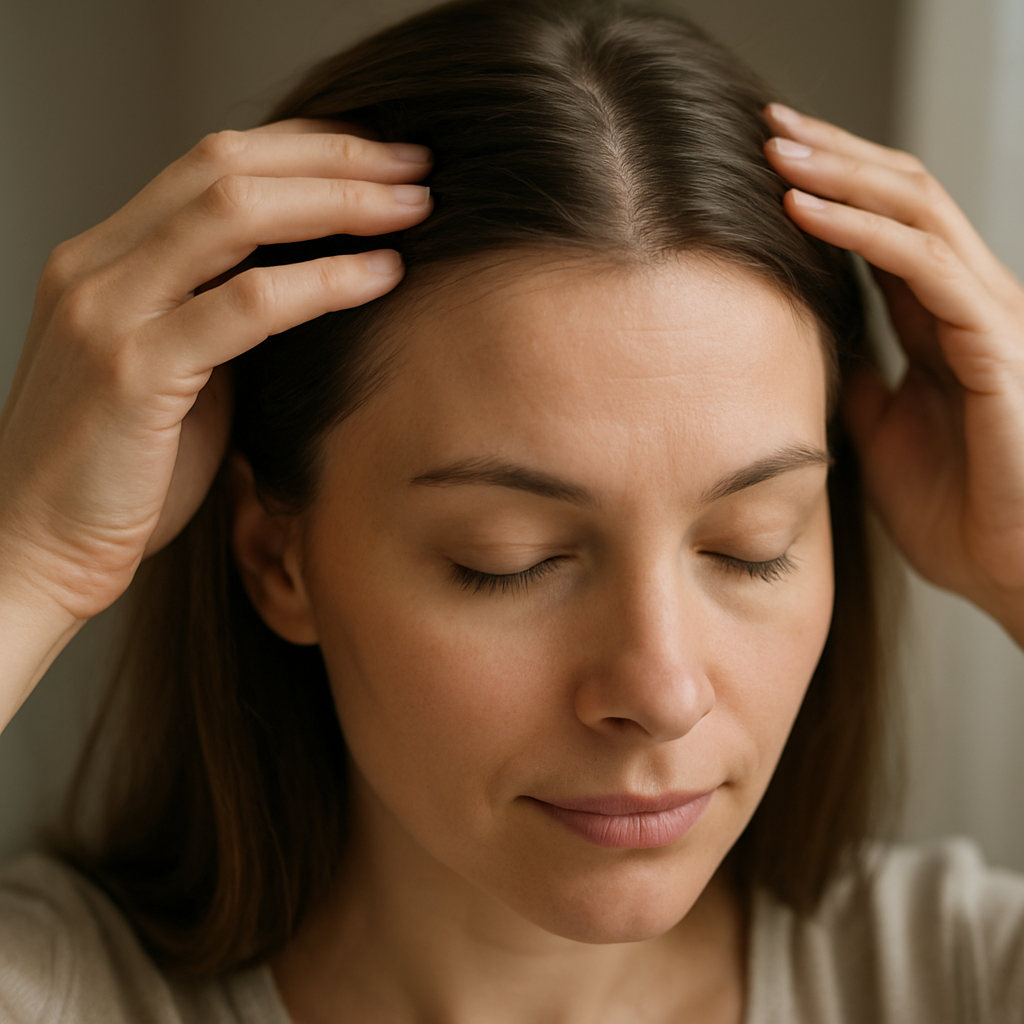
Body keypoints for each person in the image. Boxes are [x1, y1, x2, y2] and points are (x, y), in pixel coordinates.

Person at [1, 0, 1023, 1020]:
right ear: (278, 559)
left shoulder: (957, 978)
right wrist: (32, 559)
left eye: (751, 547)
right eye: (510, 559)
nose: (661, 691)